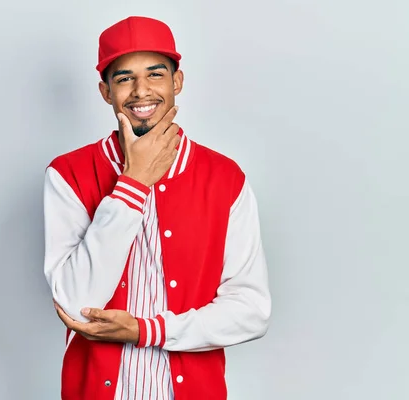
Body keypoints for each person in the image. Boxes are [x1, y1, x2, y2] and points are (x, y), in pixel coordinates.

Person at [42, 15, 271, 400]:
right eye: (124, 78)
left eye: (155, 74)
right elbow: (76, 304)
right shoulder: (68, 174)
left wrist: (146, 331)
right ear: (105, 91)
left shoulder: (225, 178)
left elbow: (251, 310)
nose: (141, 91)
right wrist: (134, 182)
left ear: (177, 82)